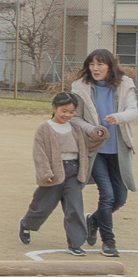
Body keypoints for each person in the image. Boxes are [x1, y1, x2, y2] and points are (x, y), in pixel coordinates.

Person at [68, 48, 137, 259]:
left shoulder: (126, 84)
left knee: (120, 198)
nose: (95, 69)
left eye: (100, 64)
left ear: (110, 66)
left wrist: (118, 117)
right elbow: (74, 117)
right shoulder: (79, 87)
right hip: (95, 149)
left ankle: (94, 221)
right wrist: (91, 129)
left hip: (119, 150)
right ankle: (109, 241)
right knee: (106, 194)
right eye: (91, 64)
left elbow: (133, 111)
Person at [19, 92, 107, 256]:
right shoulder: (44, 129)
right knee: (42, 207)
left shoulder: (75, 128)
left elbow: (87, 146)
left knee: (75, 207)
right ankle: (26, 224)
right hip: (54, 173)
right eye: (64, 110)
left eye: (71, 112)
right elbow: (40, 153)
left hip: (74, 172)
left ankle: (75, 244)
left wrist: (98, 134)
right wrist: (46, 173)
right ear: (54, 108)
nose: (67, 115)